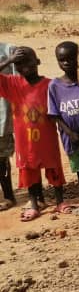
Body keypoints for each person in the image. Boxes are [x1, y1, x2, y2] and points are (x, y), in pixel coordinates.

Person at [0, 47, 65, 220]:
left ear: (37, 62)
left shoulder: (51, 84)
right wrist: (8, 61)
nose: (24, 66)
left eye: (28, 61)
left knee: (53, 166)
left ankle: (60, 201)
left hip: (47, 137)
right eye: (19, 63)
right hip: (24, 140)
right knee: (29, 168)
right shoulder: (12, 84)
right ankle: (34, 204)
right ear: (15, 65)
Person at [47, 42, 79, 214]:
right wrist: (70, 133)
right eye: (62, 60)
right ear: (57, 61)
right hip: (70, 138)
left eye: (71, 59)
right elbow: (54, 114)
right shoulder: (55, 86)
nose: (67, 63)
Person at [0, 41, 15, 211]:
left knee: (2, 160)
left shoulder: (8, 50)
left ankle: (8, 196)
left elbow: (19, 82)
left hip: (2, 118)